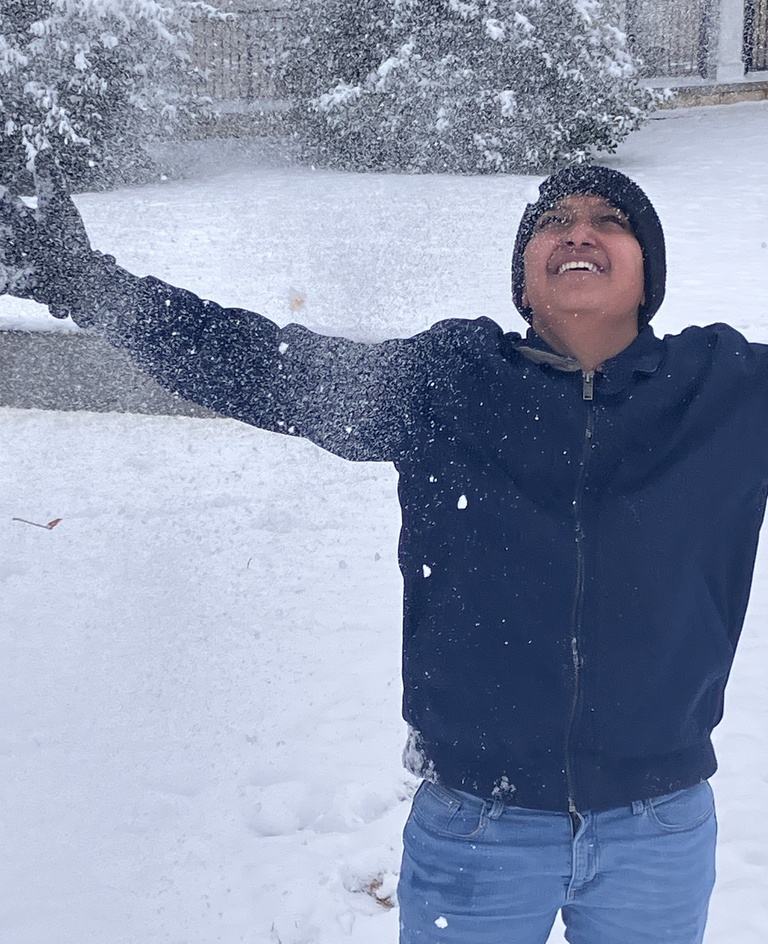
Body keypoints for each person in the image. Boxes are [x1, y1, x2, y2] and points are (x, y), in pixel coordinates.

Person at [0, 158, 764, 944]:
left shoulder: (728, 394)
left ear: (649, 275)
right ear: (525, 283)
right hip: (479, 825)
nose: (577, 230)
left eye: (610, 219)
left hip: (660, 827)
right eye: (553, 220)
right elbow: (266, 367)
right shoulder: (449, 384)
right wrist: (86, 284)